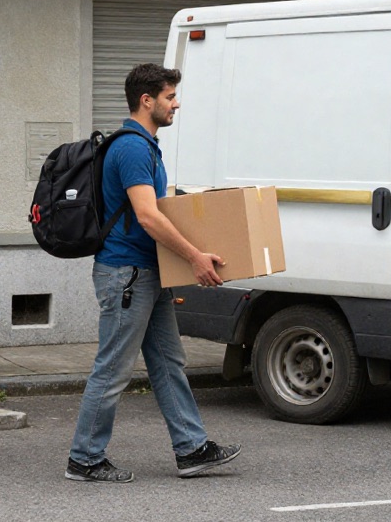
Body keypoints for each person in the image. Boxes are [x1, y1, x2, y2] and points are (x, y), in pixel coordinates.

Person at [66, 63, 242, 483]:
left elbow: (158, 206)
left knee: (167, 362)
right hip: (127, 274)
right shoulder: (131, 148)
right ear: (147, 101)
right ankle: (84, 458)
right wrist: (196, 256)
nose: (176, 103)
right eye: (169, 96)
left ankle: (192, 448)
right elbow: (148, 216)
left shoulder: (146, 145)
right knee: (112, 369)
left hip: (147, 272)